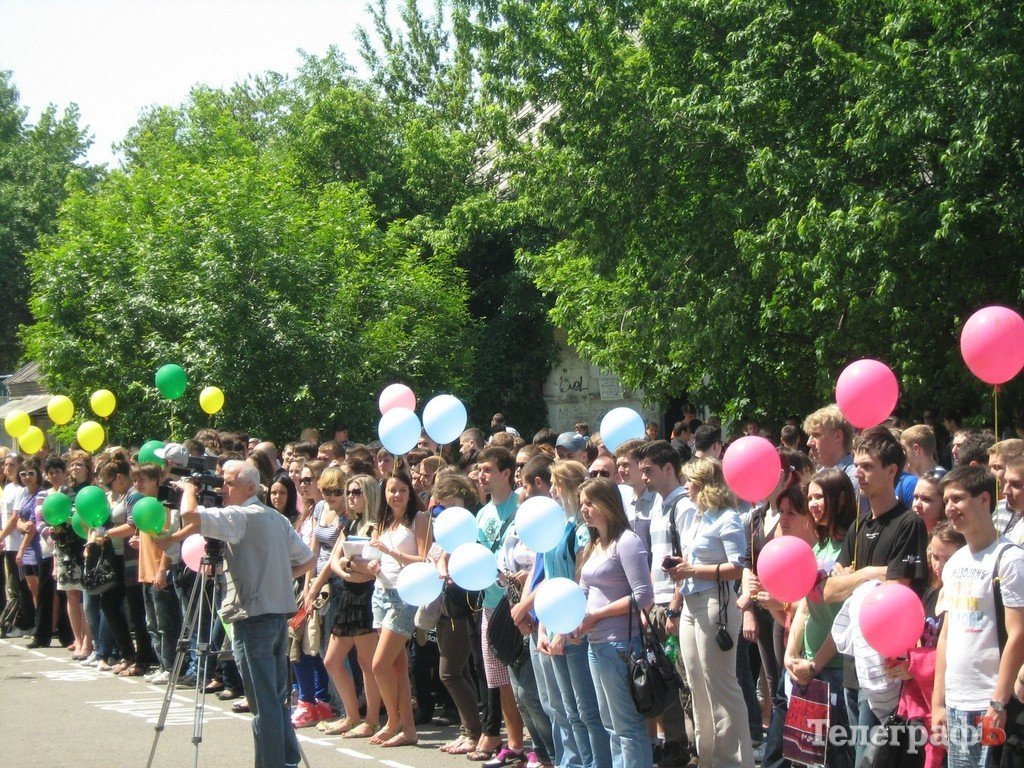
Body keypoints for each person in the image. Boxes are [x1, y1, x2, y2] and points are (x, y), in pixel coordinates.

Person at [179, 460, 315, 768]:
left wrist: (188, 489)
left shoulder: (239, 516)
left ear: (251, 488)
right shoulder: (276, 518)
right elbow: (307, 560)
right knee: (275, 699)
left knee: (263, 703)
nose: (222, 489)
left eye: (229, 483)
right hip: (276, 616)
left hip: (253, 618)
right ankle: (287, 759)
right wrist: (277, 578)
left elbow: (189, 515)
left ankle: (272, 764)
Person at [823, 426, 928, 766]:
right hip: (854, 664)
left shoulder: (909, 524)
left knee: (874, 759)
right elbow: (829, 590)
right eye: (857, 465)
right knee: (859, 754)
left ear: (892, 471)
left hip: (886, 669)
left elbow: (899, 591)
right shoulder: (859, 525)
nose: (858, 473)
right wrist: (869, 574)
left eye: (867, 466)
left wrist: (852, 578)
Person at [664, 457, 753, 768]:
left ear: (701, 485)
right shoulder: (699, 517)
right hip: (691, 603)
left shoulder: (728, 518)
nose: (685, 487)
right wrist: (682, 571)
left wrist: (695, 570)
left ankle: (735, 761)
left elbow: (737, 566)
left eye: (689, 481)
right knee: (696, 684)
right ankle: (708, 757)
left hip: (717, 603)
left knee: (721, 686)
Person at [933, 465, 1024, 768]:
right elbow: (946, 635)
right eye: (946, 501)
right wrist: (938, 703)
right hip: (957, 703)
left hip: (991, 703)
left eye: (957, 499)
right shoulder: (954, 562)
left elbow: (1018, 634)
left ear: (985, 499)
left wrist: (998, 703)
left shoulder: (1009, 559)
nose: (950, 508)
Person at [576, 476, 655, 768]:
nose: (584, 509)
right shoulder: (596, 544)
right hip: (596, 644)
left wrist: (596, 615)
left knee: (628, 727)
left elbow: (644, 596)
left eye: (590, 503)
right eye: (582, 503)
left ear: (607, 504)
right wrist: (575, 623)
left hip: (620, 643)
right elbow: (585, 590)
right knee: (611, 725)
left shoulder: (627, 541)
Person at [366, 469, 431, 748]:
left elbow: (423, 559)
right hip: (380, 592)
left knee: (378, 665)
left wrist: (391, 553)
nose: (396, 495)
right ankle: (409, 729)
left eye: (402, 490)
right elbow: (379, 558)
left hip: (404, 596)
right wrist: (374, 565)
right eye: (392, 490)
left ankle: (393, 720)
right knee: (396, 667)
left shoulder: (419, 518)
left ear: (410, 493)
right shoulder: (383, 522)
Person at [319, 473, 382, 737]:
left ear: (369, 494)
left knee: (367, 662)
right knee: (332, 660)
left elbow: (373, 569)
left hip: (367, 596)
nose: (352, 496)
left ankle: (371, 720)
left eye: (357, 491)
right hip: (348, 594)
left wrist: (350, 566)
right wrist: (344, 569)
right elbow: (334, 559)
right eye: (350, 492)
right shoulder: (350, 524)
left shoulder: (376, 526)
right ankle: (352, 715)